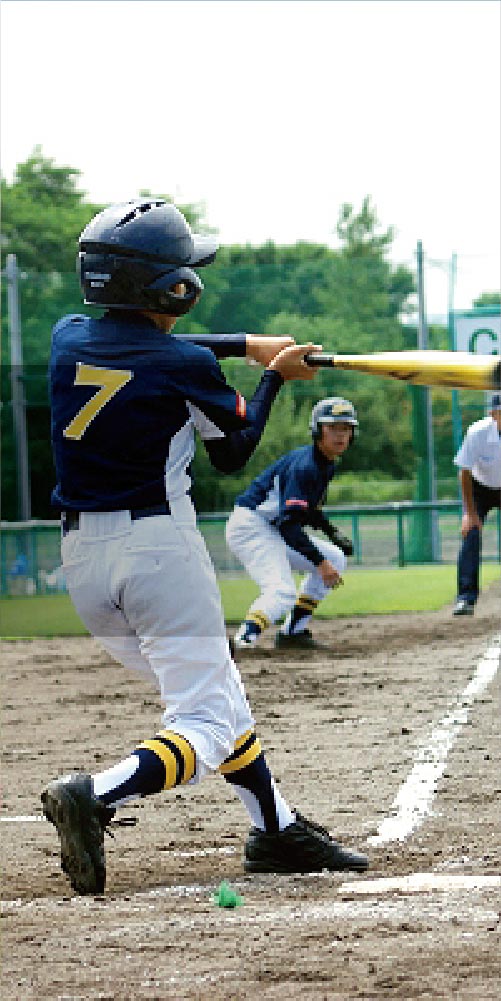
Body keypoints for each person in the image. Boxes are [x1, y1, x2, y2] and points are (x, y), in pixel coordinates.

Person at [41, 199, 368, 895]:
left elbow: (145, 348)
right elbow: (234, 453)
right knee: (204, 721)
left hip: (83, 566)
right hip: (159, 555)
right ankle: (94, 792)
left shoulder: (67, 336)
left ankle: (275, 830)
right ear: (173, 289)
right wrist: (275, 374)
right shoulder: (185, 366)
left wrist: (248, 345)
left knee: (219, 693)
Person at [226, 397, 358, 650]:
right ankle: (241, 641)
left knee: (336, 557)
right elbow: (289, 524)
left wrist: (332, 534)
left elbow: (309, 511)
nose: (341, 435)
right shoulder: (306, 467)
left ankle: (292, 633)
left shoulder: (325, 463)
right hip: (252, 527)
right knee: (281, 591)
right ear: (318, 430)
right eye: (333, 428)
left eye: (346, 428)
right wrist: (320, 563)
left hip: (271, 527)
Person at [453, 392, 501, 616]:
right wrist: (470, 514)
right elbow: (464, 471)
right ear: (493, 414)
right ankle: (466, 598)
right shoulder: (477, 433)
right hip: (479, 488)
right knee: (471, 533)